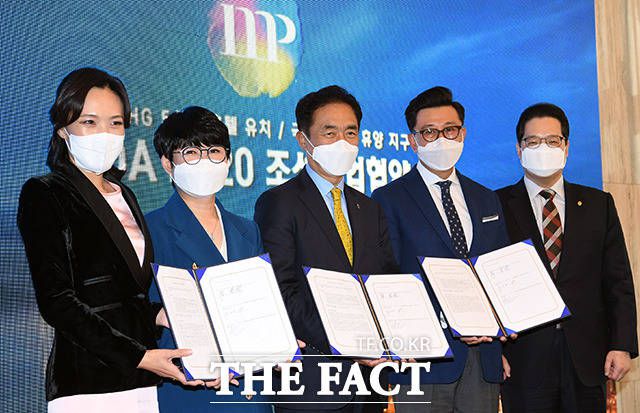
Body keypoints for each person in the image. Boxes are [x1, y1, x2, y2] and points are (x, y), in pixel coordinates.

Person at [17, 67, 197, 413]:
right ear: (63, 128)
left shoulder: (124, 194)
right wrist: (138, 356)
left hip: (141, 381)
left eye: (115, 123)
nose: (105, 133)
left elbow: (121, 296)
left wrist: (162, 315)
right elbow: (57, 301)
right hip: (88, 384)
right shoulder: (44, 193)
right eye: (89, 122)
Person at [254, 85, 398, 412]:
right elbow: (281, 288)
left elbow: (387, 281)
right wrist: (347, 343)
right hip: (312, 381)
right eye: (329, 133)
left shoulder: (370, 208)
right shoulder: (279, 202)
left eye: (351, 132)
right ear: (303, 140)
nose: (342, 142)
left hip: (370, 383)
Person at [371, 86, 510, 412]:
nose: (441, 139)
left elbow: (500, 272)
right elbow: (387, 279)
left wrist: (501, 329)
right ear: (413, 140)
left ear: (463, 133)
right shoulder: (389, 199)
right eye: (429, 132)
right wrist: (450, 319)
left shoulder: (486, 198)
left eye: (450, 130)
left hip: (483, 359)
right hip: (423, 358)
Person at [498, 103, 638, 413]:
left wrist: (622, 344)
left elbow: (618, 281)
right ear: (519, 149)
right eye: (533, 141)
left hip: (587, 358)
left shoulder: (598, 204)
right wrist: (493, 352)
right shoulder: (495, 205)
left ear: (566, 147)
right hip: (524, 360)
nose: (543, 148)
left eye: (552, 140)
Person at [145, 106, 273, 412]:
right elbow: (136, 311)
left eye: (214, 151)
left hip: (249, 393)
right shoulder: (149, 230)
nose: (205, 162)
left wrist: (278, 345)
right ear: (167, 163)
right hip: (190, 392)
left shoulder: (247, 230)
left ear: (228, 159)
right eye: (191, 153)